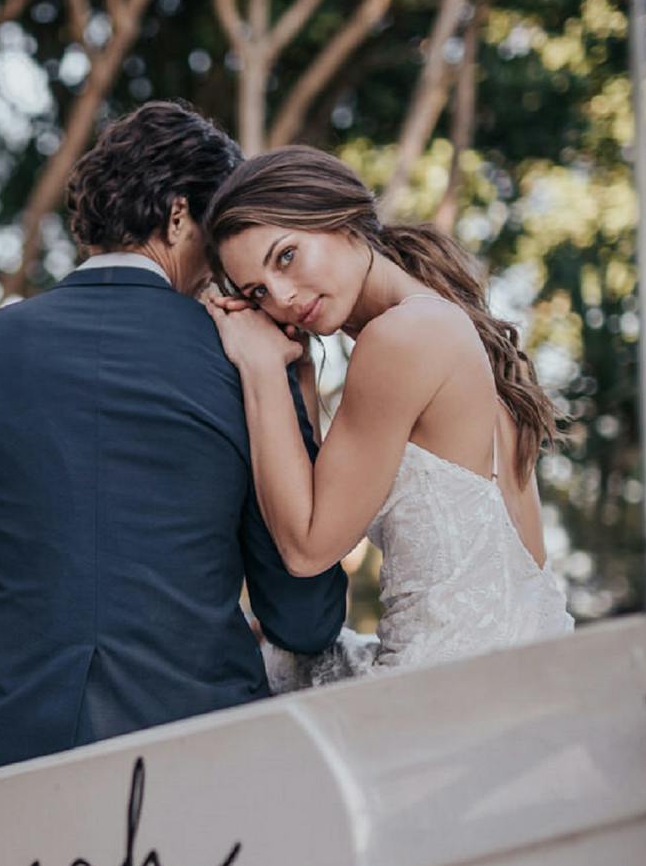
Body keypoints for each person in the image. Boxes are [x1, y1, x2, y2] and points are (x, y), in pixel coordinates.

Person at [0, 101, 348, 802]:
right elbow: (304, 617)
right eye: (214, 232)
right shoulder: (247, 359)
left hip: (6, 736)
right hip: (200, 738)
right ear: (176, 216)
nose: (222, 273)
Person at [202, 145, 574, 691]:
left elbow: (306, 549)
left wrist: (258, 368)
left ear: (342, 218)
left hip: (448, 700)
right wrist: (298, 375)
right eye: (258, 292)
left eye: (285, 256)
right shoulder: (450, 325)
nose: (280, 297)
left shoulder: (401, 336)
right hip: (527, 679)